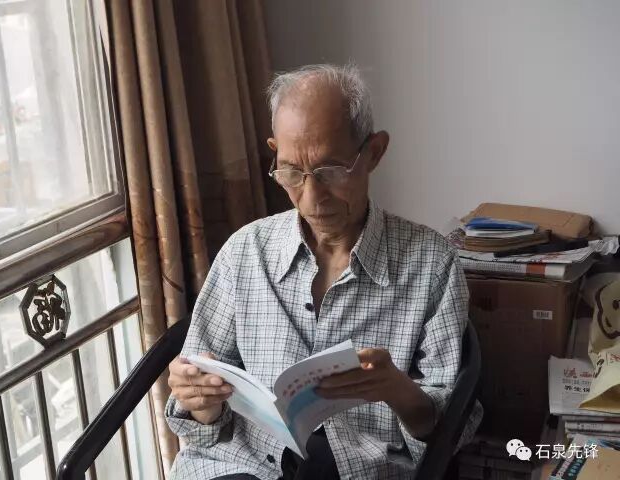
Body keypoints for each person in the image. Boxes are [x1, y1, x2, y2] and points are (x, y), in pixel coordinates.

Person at [165, 64, 481, 480]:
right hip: (242, 466)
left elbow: (450, 430)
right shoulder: (245, 252)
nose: (312, 198)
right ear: (275, 152)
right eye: (292, 172)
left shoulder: (430, 264)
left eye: (331, 171)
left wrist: (396, 389)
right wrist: (200, 402)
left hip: (359, 470)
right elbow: (200, 423)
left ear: (373, 152)